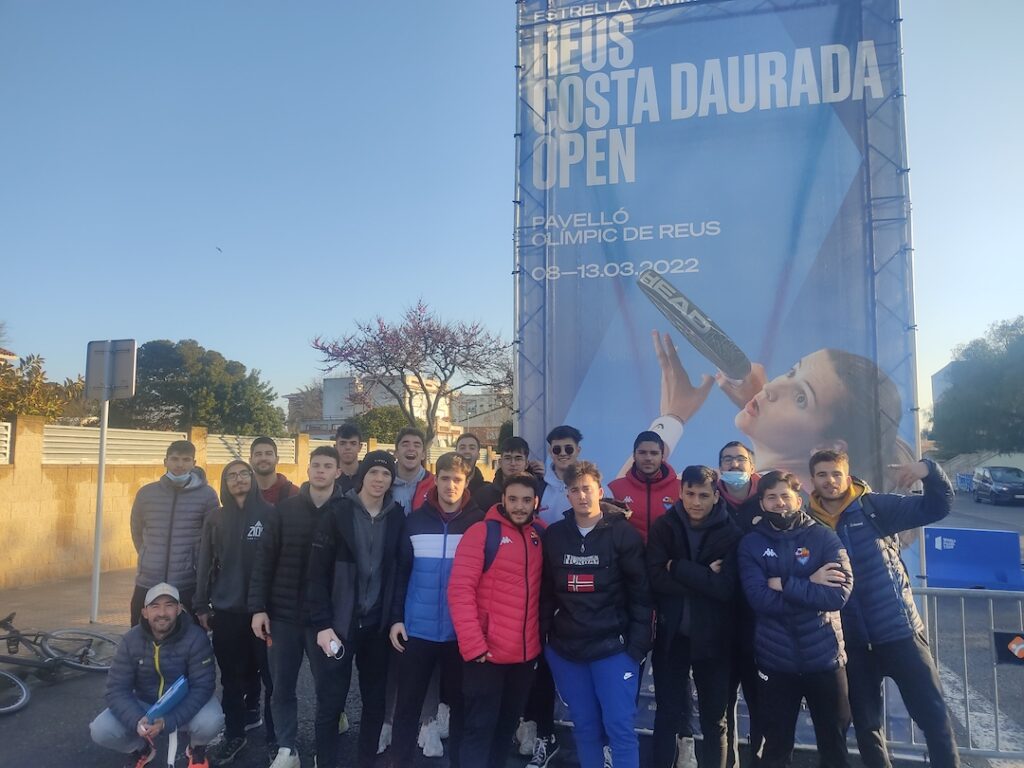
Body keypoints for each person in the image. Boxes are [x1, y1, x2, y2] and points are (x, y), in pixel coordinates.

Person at [806, 449, 958, 768]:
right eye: (822, 475)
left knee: (933, 719)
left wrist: (929, 470)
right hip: (852, 644)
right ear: (813, 480)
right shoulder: (807, 523)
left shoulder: (874, 507)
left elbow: (938, 506)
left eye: (835, 474)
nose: (830, 481)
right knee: (867, 728)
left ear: (847, 476)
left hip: (900, 632)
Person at [651, 332, 915, 492]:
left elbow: (632, 501)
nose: (770, 388)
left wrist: (672, 418)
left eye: (801, 398)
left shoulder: (773, 498)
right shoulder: (787, 492)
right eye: (791, 372)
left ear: (829, 447)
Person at [541, 461, 653, 768]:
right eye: (575, 490)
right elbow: (545, 592)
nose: (582, 496)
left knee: (620, 728)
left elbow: (642, 595)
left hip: (613, 650)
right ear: (567, 495)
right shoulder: (555, 535)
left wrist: (636, 648)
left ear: (600, 492)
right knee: (585, 728)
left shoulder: (623, 534)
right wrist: (546, 641)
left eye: (587, 489)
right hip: (567, 650)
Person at [737, 471, 853, 768]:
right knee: (775, 750)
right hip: (776, 663)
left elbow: (837, 595)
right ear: (762, 503)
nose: (779, 503)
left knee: (835, 748)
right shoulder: (751, 543)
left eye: (785, 496)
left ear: (798, 500)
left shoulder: (824, 536)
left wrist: (785, 584)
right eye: (771, 497)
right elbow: (759, 600)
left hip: (825, 660)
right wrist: (811, 583)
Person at [306, 450, 405, 768]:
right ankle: (326, 761)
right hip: (339, 626)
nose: (379, 479)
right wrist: (322, 623)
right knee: (331, 702)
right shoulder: (338, 513)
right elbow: (316, 573)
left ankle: (366, 761)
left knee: (375, 702)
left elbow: (399, 571)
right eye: (374, 472)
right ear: (363, 476)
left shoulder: (397, 516)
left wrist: (395, 618)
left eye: (386, 474)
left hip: (376, 626)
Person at [248, 446, 345, 768]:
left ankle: (324, 748)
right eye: (316, 465)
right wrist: (258, 607)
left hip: (325, 621)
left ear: (338, 471)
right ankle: (287, 749)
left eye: (327, 466)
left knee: (327, 687)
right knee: (281, 687)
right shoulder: (284, 510)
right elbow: (263, 561)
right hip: (283, 616)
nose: (321, 471)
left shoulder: (346, 512)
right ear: (308, 469)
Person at [387, 452, 485, 768]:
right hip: (418, 630)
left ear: (467, 482)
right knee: (407, 707)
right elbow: (401, 573)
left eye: (457, 479)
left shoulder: (479, 524)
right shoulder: (414, 521)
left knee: (460, 707)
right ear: (436, 479)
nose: (450, 485)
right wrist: (396, 619)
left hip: (460, 633)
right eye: (444, 478)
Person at [646, 465, 743, 768]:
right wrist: (703, 576)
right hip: (672, 637)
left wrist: (678, 567)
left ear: (716, 496)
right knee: (666, 716)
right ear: (680, 492)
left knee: (715, 721)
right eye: (690, 493)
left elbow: (725, 588)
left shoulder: (731, 533)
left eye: (703, 495)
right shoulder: (664, 526)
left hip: (714, 640)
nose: (696, 501)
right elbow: (655, 578)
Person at [448, 472, 544, 768]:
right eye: (513, 499)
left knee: (505, 731)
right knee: (478, 731)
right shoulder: (481, 533)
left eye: (526, 500)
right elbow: (460, 590)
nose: (519, 506)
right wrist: (473, 645)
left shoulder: (539, 536)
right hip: (485, 655)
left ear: (535, 502)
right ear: (502, 499)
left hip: (523, 658)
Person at [194, 460, 275, 764]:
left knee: (271, 678)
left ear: (252, 479)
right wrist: (201, 604)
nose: (238, 479)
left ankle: (276, 738)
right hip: (226, 611)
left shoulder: (270, 514)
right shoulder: (215, 518)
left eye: (244, 474)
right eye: (231, 475)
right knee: (230, 678)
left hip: (264, 612)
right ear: (224, 482)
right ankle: (234, 734)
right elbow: (204, 562)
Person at [90, 583, 224, 768]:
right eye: (155, 606)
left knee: (211, 721)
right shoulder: (130, 640)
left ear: (179, 609)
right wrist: (137, 720)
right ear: (145, 612)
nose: (162, 613)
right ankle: (142, 749)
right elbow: (116, 689)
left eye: (169, 605)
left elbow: (203, 687)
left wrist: (169, 721)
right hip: (145, 705)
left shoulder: (196, 638)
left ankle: (196, 748)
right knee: (101, 730)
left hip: (183, 702)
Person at [129, 440, 219, 626]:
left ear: (194, 463)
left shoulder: (207, 495)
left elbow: (211, 538)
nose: (180, 464)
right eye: (175, 459)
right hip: (148, 580)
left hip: (186, 582)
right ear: (165, 462)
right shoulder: (146, 493)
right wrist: (148, 555)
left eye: (186, 460)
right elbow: (137, 530)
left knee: (188, 635)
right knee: (140, 633)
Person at [715, 440, 763, 767]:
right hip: (721, 621)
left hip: (762, 624)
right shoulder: (710, 501)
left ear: (752, 466)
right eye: (727, 459)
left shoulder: (768, 500)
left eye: (740, 459)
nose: (734, 464)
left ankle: (759, 760)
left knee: (762, 705)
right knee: (722, 707)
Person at [608, 430, 679, 543]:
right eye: (642, 452)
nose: (648, 458)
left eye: (654, 453)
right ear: (634, 455)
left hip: (667, 553)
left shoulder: (681, 489)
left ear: (662, 456)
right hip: (627, 553)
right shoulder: (614, 489)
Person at [473, 435, 545, 514]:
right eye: (508, 458)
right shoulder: (483, 495)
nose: (513, 463)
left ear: (526, 464)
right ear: (500, 462)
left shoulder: (541, 492)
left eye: (518, 459)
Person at [537, 424, 582, 525]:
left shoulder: (595, 487)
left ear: (578, 450)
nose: (563, 453)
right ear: (550, 452)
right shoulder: (538, 488)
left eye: (568, 449)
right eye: (557, 449)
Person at [391, 427, 435, 514]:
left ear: (423, 455)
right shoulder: (384, 484)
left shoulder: (435, 485)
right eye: (405, 444)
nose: (411, 448)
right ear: (396, 453)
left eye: (417, 445)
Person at [250, 436, 299, 504]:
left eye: (268, 454)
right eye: (258, 454)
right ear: (250, 461)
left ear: (277, 459)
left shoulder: (294, 493)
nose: (263, 458)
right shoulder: (241, 492)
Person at [334, 422, 363, 493]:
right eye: (342, 443)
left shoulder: (368, 474)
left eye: (353, 443)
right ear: (335, 447)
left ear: (360, 447)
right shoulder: (329, 475)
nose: (348, 447)